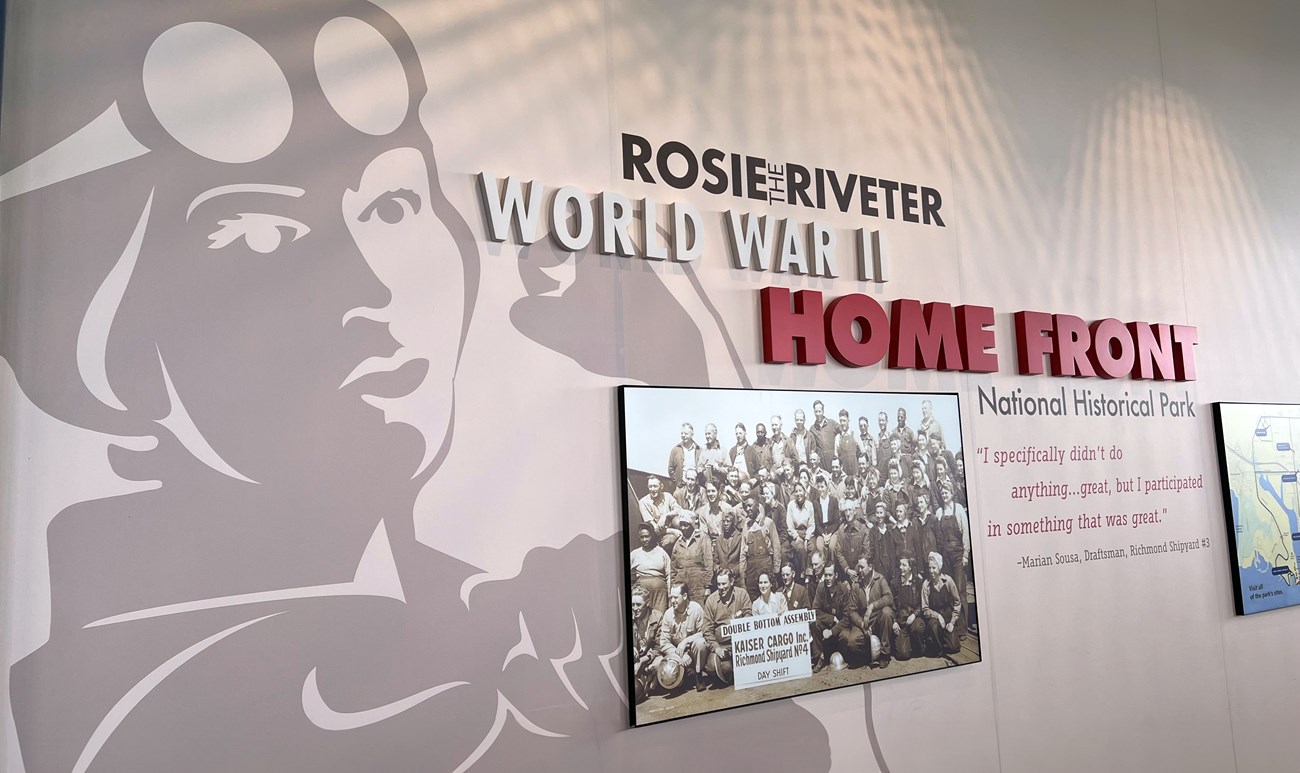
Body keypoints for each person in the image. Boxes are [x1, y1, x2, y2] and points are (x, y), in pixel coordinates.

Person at [701, 569, 752, 689]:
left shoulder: (742, 594)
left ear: (732, 581)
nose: (721, 587)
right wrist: (717, 648)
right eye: (718, 584)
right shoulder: (711, 600)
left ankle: (738, 671)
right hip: (722, 646)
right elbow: (707, 630)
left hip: (740, 644)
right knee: (720, 668)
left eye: (724, 584)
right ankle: (730, 671)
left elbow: (749, 617)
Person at [811, 564, 867, 671]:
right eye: (825, 575)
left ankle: (843, 657)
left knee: (845, 637)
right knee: (815, 623)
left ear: (836, 575)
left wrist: (832, 631)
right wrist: (831, 619)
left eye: (830, 575)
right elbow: (815, 610)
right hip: (826, 623)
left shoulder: (843, 589)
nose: (827, 578)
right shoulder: (821, 587)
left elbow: (847, 617)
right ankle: (819, 658)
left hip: (841, 626)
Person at [935, 481, 970, 636]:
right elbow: (938, 538)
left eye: (947, 492)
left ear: (951, 493)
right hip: (945, 557)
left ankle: (963, 629)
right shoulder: (939, 512)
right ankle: (953, 626)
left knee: (960, 591)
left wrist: (965, 555)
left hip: (957, 555)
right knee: (949, 591)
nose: (944, 495)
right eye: (942, 493)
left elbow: (966, 534)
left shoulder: (959, 509)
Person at [659, 582, 708, 689]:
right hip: (677, 653)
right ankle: (686, 675)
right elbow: (664, 642)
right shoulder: (668, 614)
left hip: (695, 653)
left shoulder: (696, 609)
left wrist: (685, 641)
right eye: (671, 597)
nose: (672, 601)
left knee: (700, 643)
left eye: (675, 597)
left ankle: (699, 675)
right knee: (666, 675)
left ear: (685, 596)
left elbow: (703, 632)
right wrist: (680, 655)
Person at [852, 556, 895, 668]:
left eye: (862, 567)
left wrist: (872, 606)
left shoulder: (880, 579)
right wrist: (861, 623)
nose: (859, 570)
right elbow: (852, 611)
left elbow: (889, 598)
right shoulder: (856, 584)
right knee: (852, 642)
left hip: (877, 620)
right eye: (858, 567)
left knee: (887, 612)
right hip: (864, 622)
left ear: (870, 567)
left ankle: (885, 653)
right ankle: (869, 653)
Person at [739, 494, 781, 599]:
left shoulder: (768, 523)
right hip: (751, 569)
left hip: (765, 565)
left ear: (757, 506)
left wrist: (776, 570)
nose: (748, 509)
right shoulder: (746, 525)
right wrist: (742, 574)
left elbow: (776, 548)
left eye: (750, 506)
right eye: (746, 507)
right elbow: (743, 552)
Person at [921, 552, 962, 655]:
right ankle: (938, 646)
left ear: (939, 567)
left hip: (948, 617)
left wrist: (952, 622)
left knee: (953, 648)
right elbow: (925, 609)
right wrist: (938, 616)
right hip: (934, 619)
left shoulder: (948, 581)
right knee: (933, 626)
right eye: (929, 568)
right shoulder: (926, 585)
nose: (931, 571)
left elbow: (957, 602)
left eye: (934, 568)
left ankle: (945, 640)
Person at [629, 584, 664, 702]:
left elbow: (659, 646)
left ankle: (649, 679)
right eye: (632, 604)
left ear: (647, 603)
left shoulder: (658, 617)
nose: (634, 608)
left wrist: (642, 661)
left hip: (651, 657)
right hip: (635, 658)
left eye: (638, 604)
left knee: (660, 664)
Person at [671, 512, 714, 605]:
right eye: (681, 525)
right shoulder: (678, 543)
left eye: (685, 525)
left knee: (699, 611)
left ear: (692, 525)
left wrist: (707, 587)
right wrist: (674, 586)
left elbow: (708, 564)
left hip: (698, 585)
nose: (683, 528)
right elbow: (673, 568)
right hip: (682, 586)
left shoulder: (702, 538)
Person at [630, 523, 672, 612]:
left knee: (660, 617)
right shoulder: (635, 554)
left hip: (660, 593)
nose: (644, 539)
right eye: (642, 537)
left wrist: (670, 594)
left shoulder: (661, 552)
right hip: (642, 592)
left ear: (652, 536)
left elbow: (669, 575)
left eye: (647, 536)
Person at [891, 555, 926, 661]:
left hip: (914, 618)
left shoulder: (918, 582)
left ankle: (919, 645)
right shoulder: (894, 583)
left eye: (904, 565)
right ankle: (906, 642)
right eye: (900, 565)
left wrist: (914, 615)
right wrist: (894, 621)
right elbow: (891, 604)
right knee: (903, 655)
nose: (901, 567)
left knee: (917, 628)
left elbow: (922, 604)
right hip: (901, 622)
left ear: (910, 567)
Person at [785, 482, 816, 577]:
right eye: (796, 491)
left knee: (812, 548)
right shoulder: (791, 505)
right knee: (801, 548)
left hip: (808, 533)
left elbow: (811, 524)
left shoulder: (810, 505)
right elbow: (789, 525)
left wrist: (807, 539)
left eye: (800, 491)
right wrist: (796, 537)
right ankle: (803, 573)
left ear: (805, 492)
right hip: (795, 534)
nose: (798, 494)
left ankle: (810, 572)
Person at [667, 422, 701, 489]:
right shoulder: (675, 450)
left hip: (696, 487)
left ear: (692, 434)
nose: (683, 435)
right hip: (680, 487)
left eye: (685, 433)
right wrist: (677, 483)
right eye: (681, 433)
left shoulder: (699, 451)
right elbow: (670, 469)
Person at [713, 510, 744, 580]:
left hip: (737, 578)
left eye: (728, 521)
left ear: (733, 523)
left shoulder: (740, 537)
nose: (725, 524)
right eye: (723, 521)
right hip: (722, 578)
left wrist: (733, 571)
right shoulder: (719, 539)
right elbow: (715, 560)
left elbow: (743, 560)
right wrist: (718, 569)